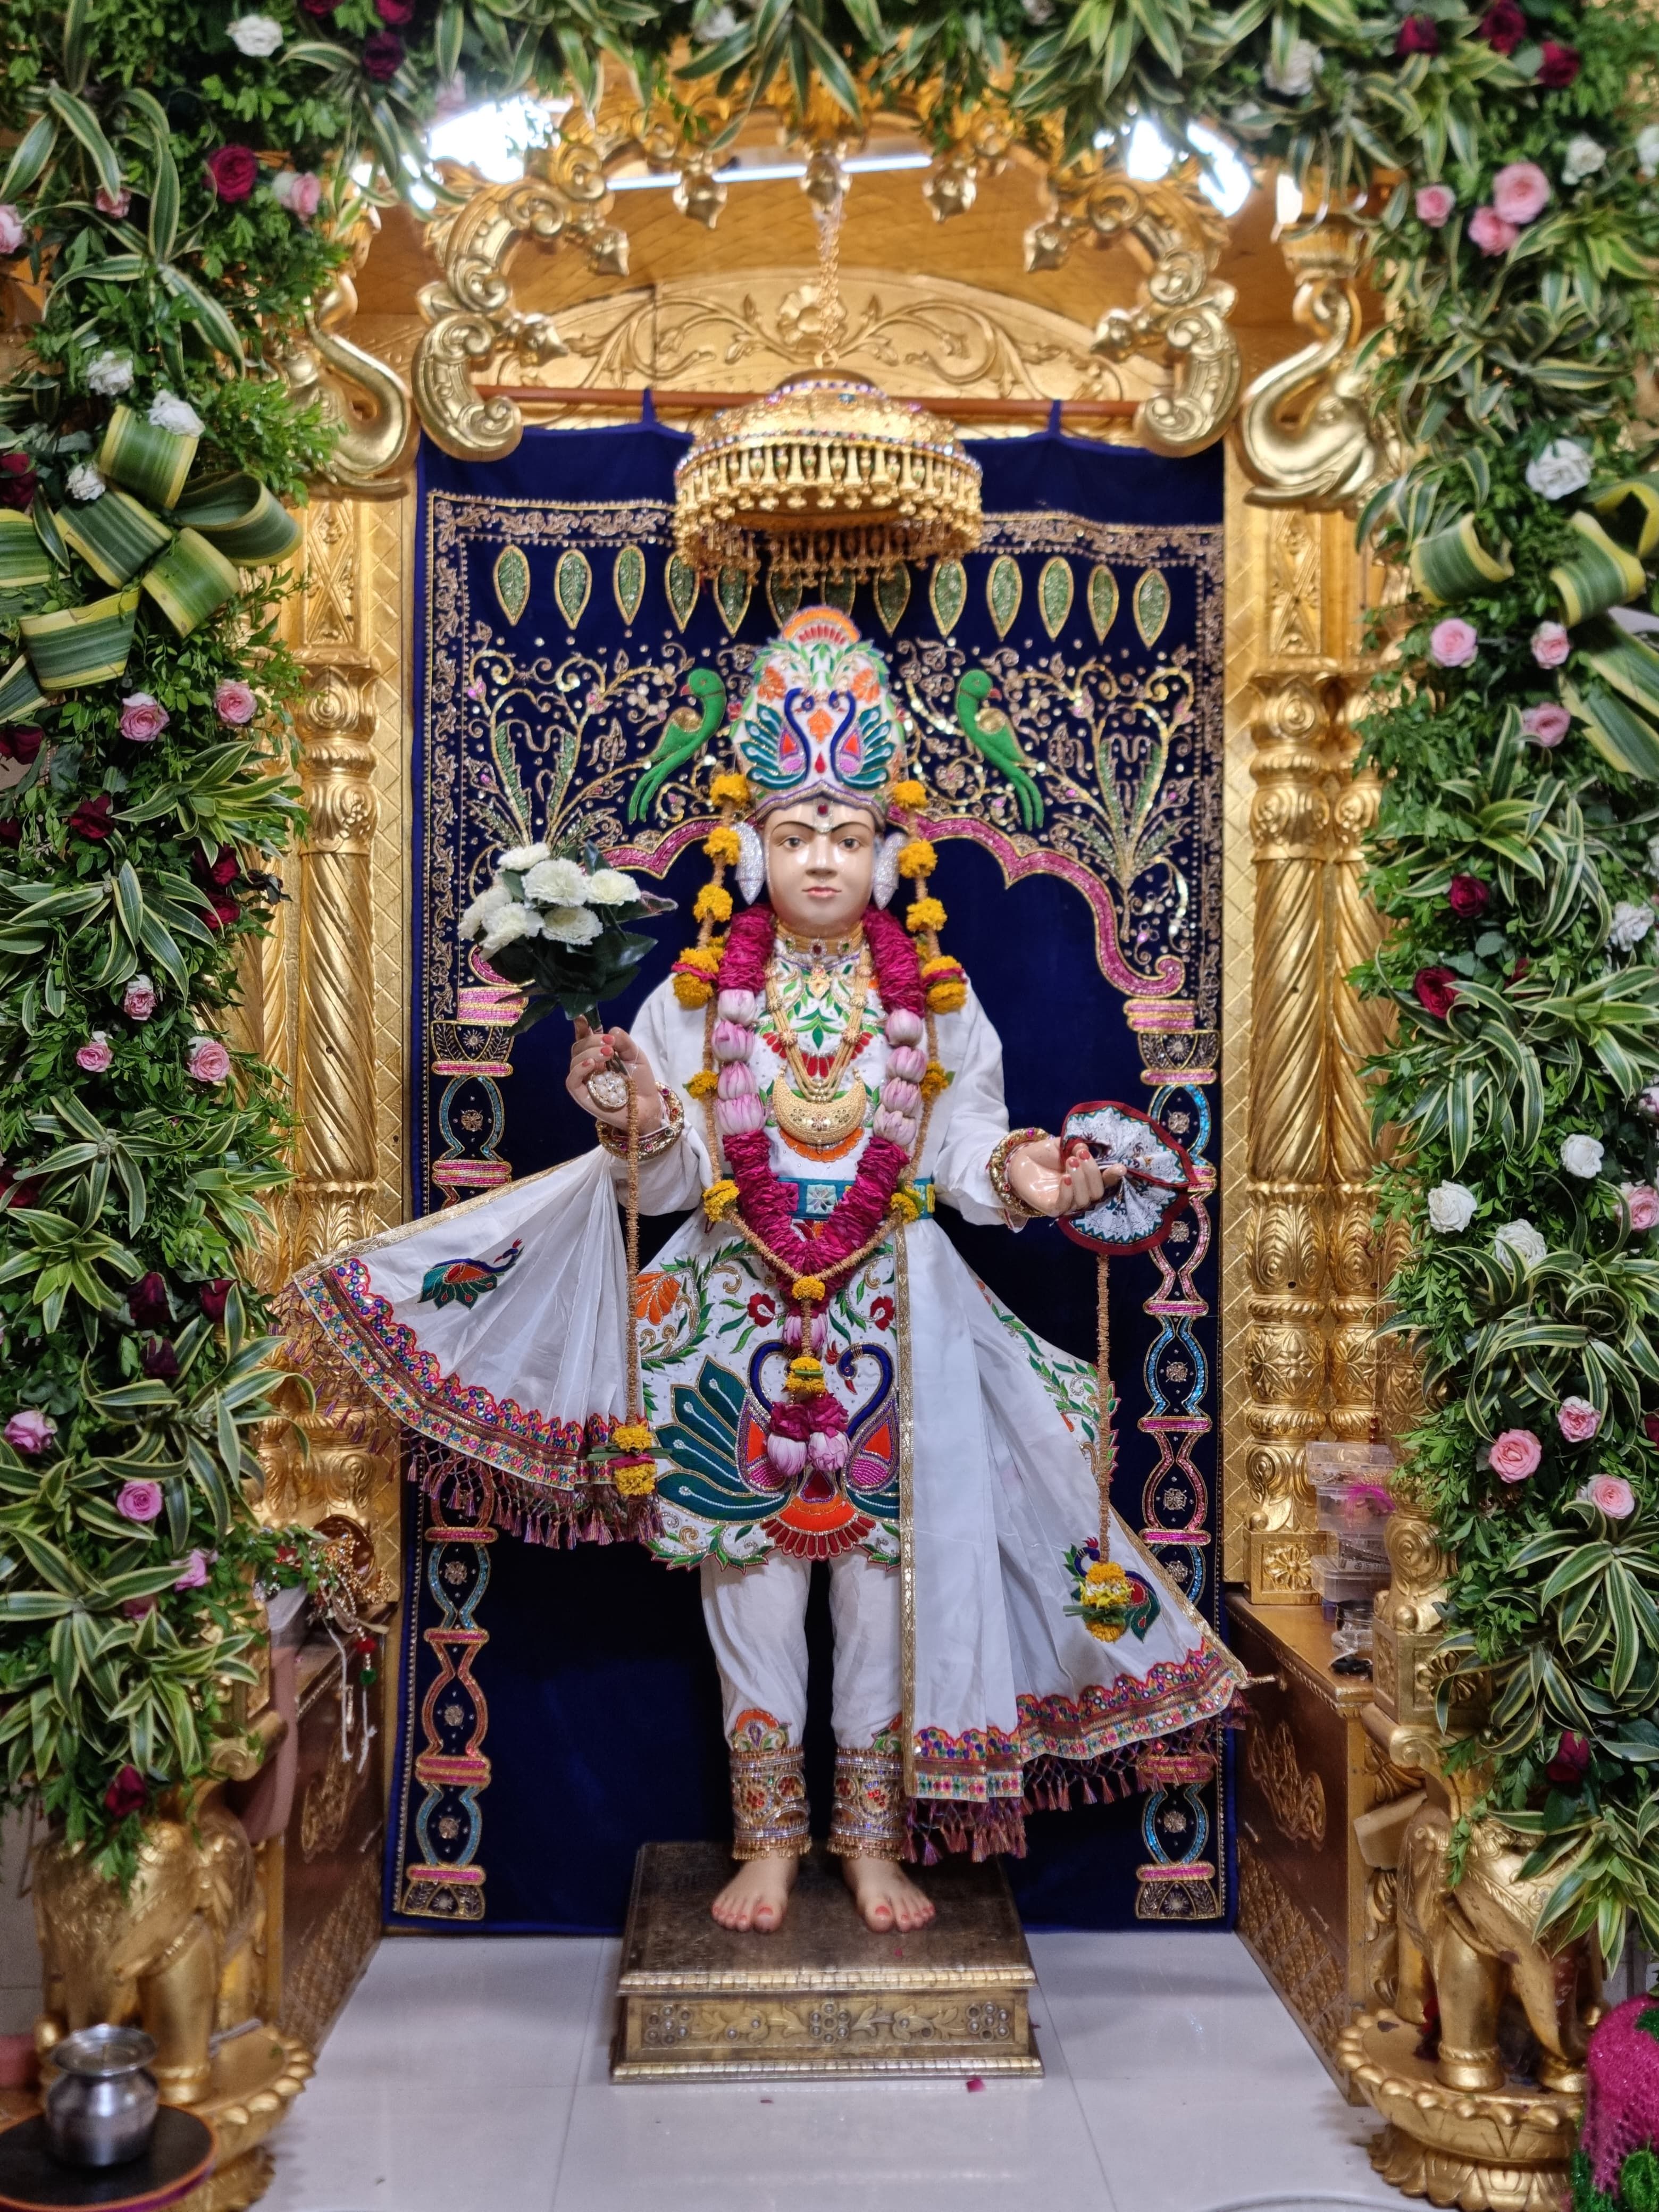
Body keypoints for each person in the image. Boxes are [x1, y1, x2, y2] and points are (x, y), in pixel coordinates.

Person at [287, 608, 1241, 1939]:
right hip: (734, 1311)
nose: (821, 861)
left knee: (881, 1590)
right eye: (794, 834)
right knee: (751, 1574)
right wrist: (630, 1114)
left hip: (895, 1314)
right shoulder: (693, 992)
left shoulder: (943, 996)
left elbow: (965, 1142)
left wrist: (1024, 1177)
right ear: (749, 846)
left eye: (847, 835)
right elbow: (674, 1167)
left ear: (891, 848)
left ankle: (870, 1844)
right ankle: (771, 1843)